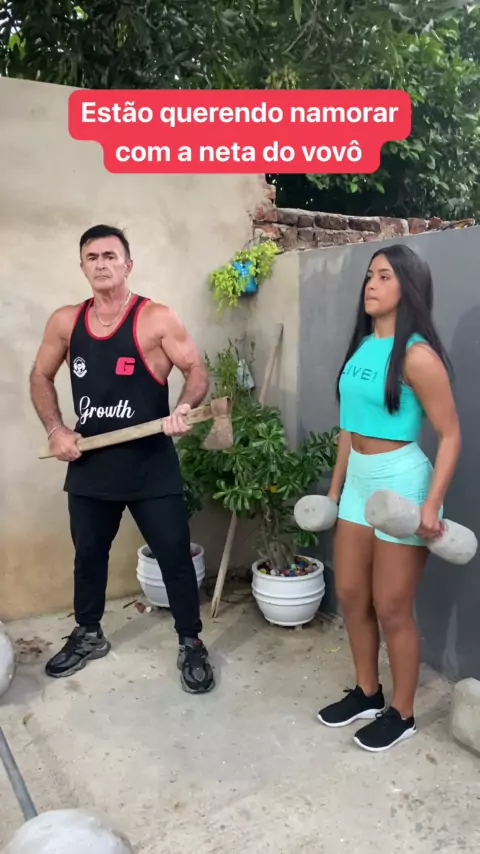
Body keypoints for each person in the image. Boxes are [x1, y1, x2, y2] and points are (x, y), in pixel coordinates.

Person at [29, 224, 215, 695]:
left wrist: (183, 408)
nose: (102, 264)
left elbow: (196, 369)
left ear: (128, 265)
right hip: (90, 464)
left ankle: (191, 641)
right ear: (82, 266)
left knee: (174, 556)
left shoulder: (155, 318)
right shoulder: (66, 322)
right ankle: (88, 633)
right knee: (88, 557)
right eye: (92, 257)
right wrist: (55, 429)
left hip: (150, 464)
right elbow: (40, 376)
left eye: (110, 256)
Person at [317, 244, 461, 752]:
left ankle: (402, 713)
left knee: (392, 606)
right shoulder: (363, 347)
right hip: (358, 482)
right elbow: (348, 427)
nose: (371, 285)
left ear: (409, 287)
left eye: (384, 276)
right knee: (351, 594)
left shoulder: (417, 355)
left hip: (401, 485)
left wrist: (431, 505)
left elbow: (450, 434)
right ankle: (367, 692)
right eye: (369, 276)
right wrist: (335, 491)